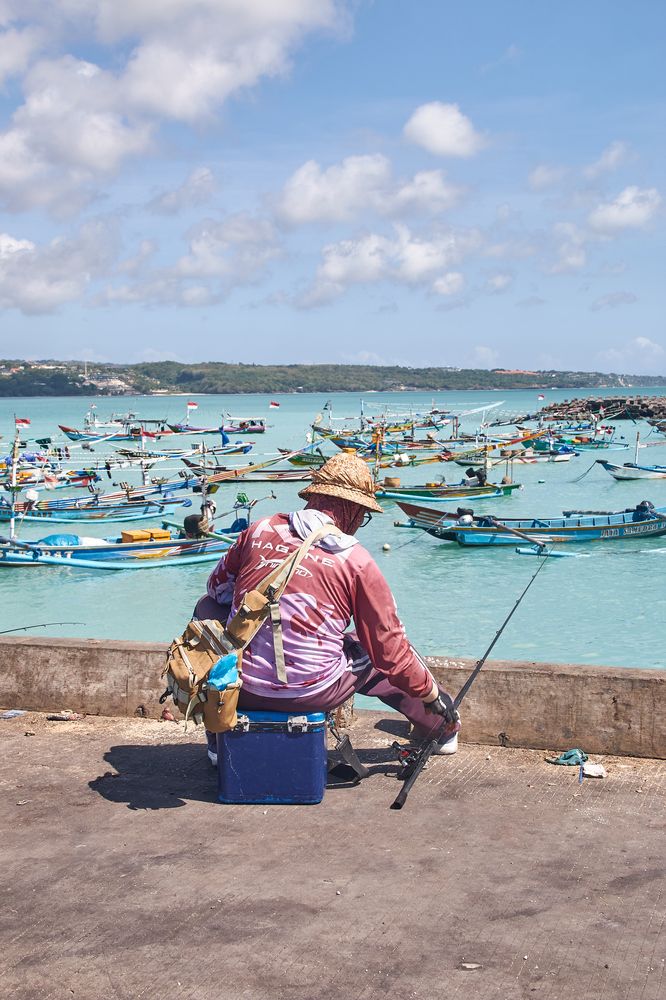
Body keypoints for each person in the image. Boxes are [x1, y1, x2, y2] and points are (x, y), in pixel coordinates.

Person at [194, 452, 460, 766]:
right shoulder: (355, 559)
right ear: (353, 510)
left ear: (314, 497)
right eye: (363, 515)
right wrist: (432, 694)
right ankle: (441, 728)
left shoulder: (259, 530)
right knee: (371, 650)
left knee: (206, 609)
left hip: (242, 686)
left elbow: (217, 591)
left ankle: (218, 737)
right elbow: (391, 651)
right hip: (311, 692)